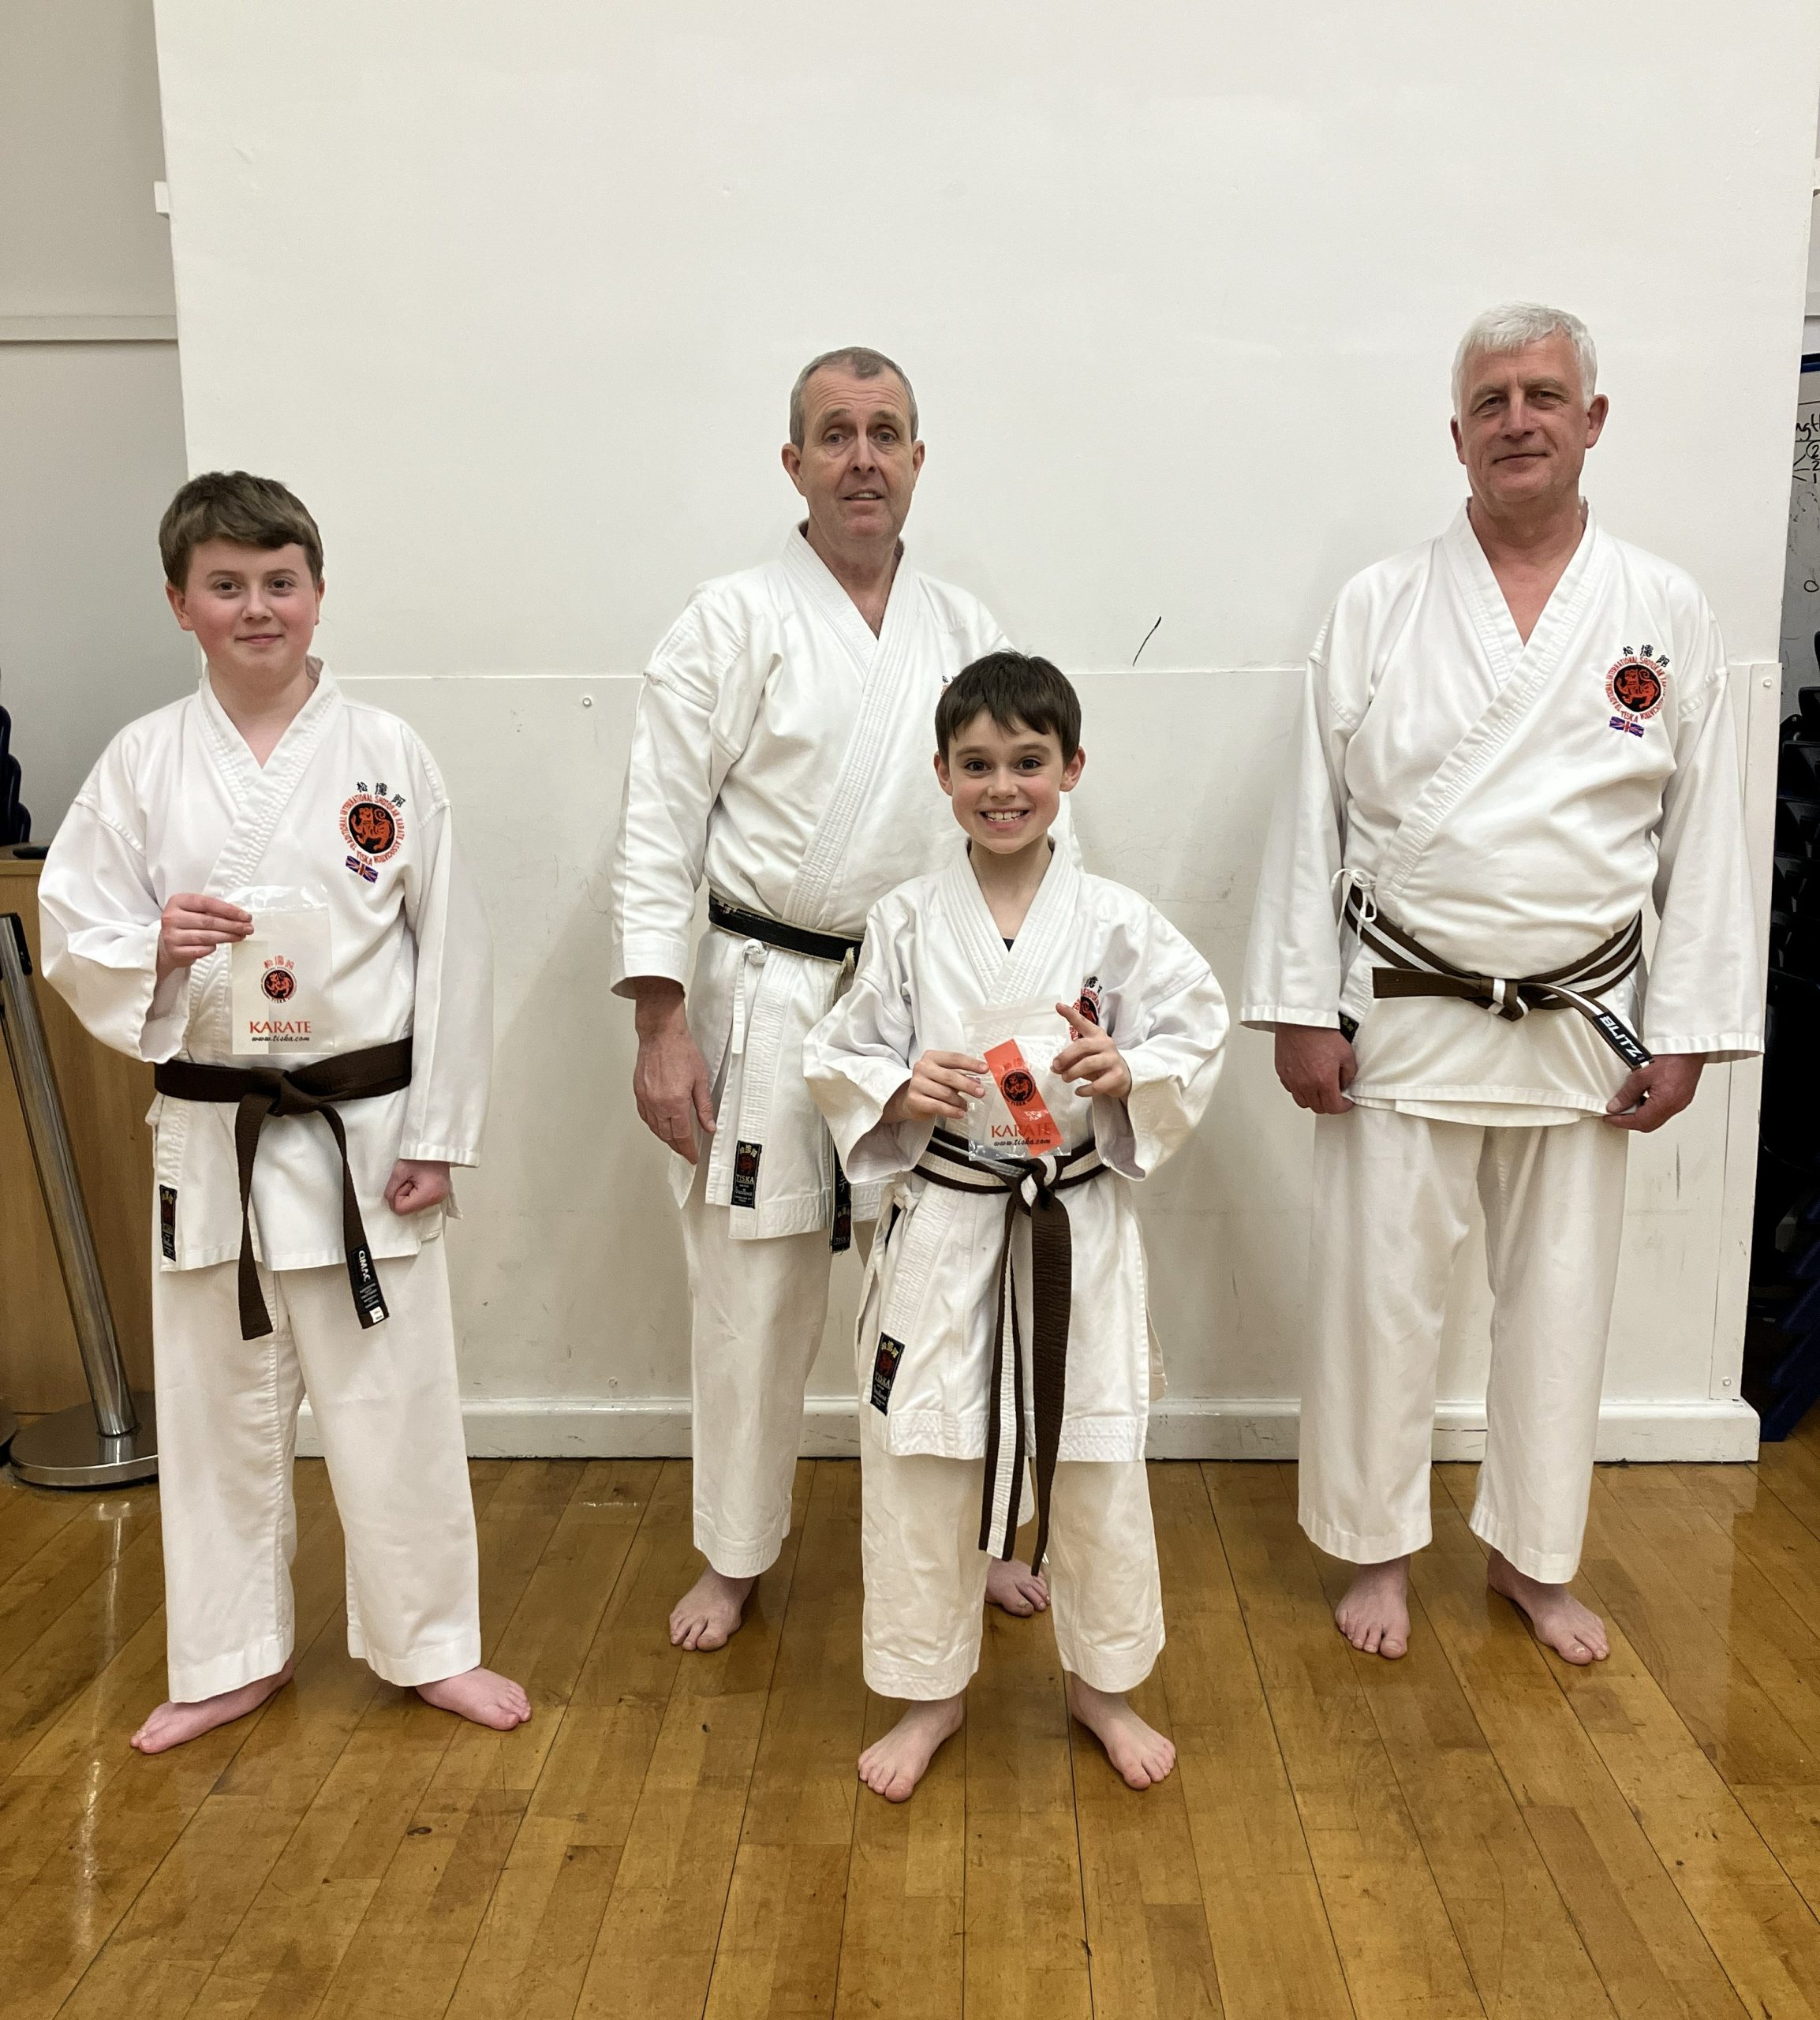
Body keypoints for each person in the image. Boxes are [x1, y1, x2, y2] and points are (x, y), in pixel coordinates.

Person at [1243, 305, 1762, 1666]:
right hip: (1403, 1006)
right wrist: (1299, 1004)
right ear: (1458, 433)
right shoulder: (1380, 602)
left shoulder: (1662, 608)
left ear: (1593, 421)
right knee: (1379, 1295)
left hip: (1585, 1017)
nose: (1517, 420)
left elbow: (1704, 835)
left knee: (1561, 1301)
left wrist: (1688, 1029)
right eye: (1491, 401)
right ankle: (1375, 1546)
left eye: (1543, 396)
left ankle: (1534, 1557)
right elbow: (1310, 813)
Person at [39, 471, 529, 1752]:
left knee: (396, 1405)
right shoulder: (142, 762)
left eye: (279, 582)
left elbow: (453, 951)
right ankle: (228, 1657)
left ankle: (430, 1646)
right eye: (226, 585)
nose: (256, 607)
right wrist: (152, 945)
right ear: (180, 604)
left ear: (317, 594)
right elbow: (71, 929)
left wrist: (439, 1138)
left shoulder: (388, 754)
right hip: (217, 1137)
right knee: (215, 1413)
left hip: (364, 1131)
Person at [611, 346, 1052, 1649]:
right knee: (752, 1296)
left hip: (935, 998)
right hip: (769, 994)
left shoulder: (965, 628)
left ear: (919, 458)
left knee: (954, 1274)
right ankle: (735, 1553)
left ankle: (973, 1536)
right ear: (793, 460)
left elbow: (1021, 817)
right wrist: (659, 1024)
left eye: (886, 432)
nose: (863, 457)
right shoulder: (727, 621)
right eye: (836, 433)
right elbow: (658, 827)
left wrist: (1033, 995)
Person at [804, 652, 1227, 1798]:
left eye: (1028, 762)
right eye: (978, 764)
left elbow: (1197, 1027)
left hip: (1073, 1219)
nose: (1004, 787)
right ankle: (928, 1692)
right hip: (948, 1215)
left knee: (1094, 1449)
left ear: (1072, 768)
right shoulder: (904, 919)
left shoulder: (1117, 919)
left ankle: (1105, 1685)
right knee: (921, 1453)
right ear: (942, 774)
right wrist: (899, 1088)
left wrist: (1130, 1069)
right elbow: (840, 1050)